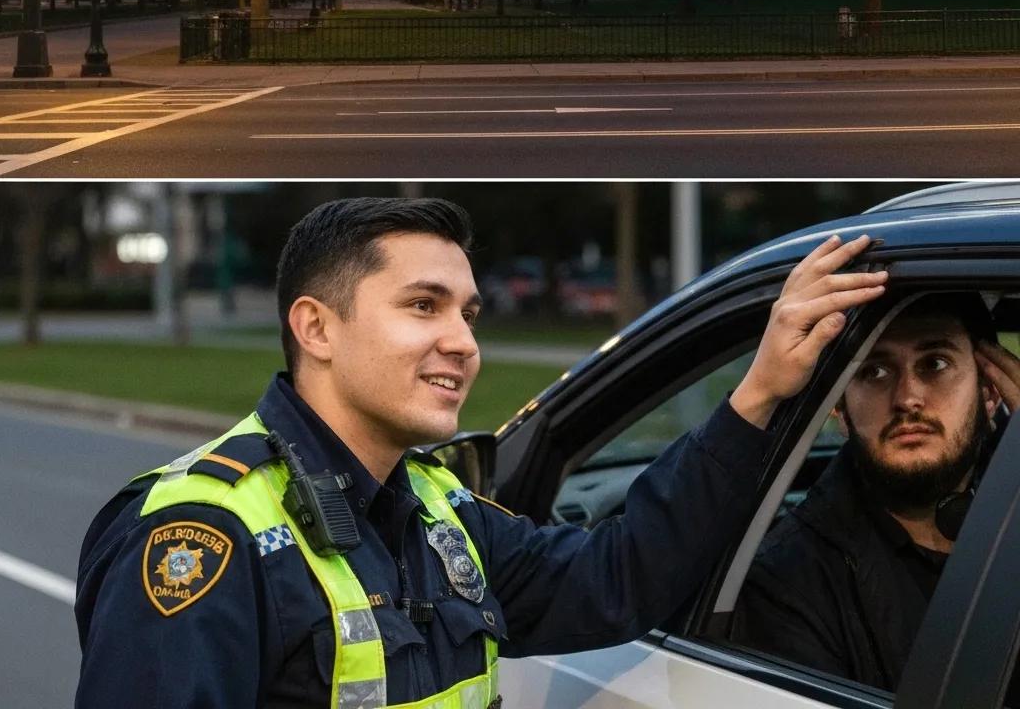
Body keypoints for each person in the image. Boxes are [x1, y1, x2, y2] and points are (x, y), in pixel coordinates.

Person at [74, 199, 887, 708]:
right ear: (316, 328)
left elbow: (618, 578)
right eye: (423, 306)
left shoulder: (437, 510)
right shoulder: (204, 537)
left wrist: (756, 397)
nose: (462, 343)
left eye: (468, 312)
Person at [733, 292, 1020, 690]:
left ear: (990, 392)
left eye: (934, 364)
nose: (907, 399)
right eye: (874, 372)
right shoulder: (787, 582)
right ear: (840, 410)